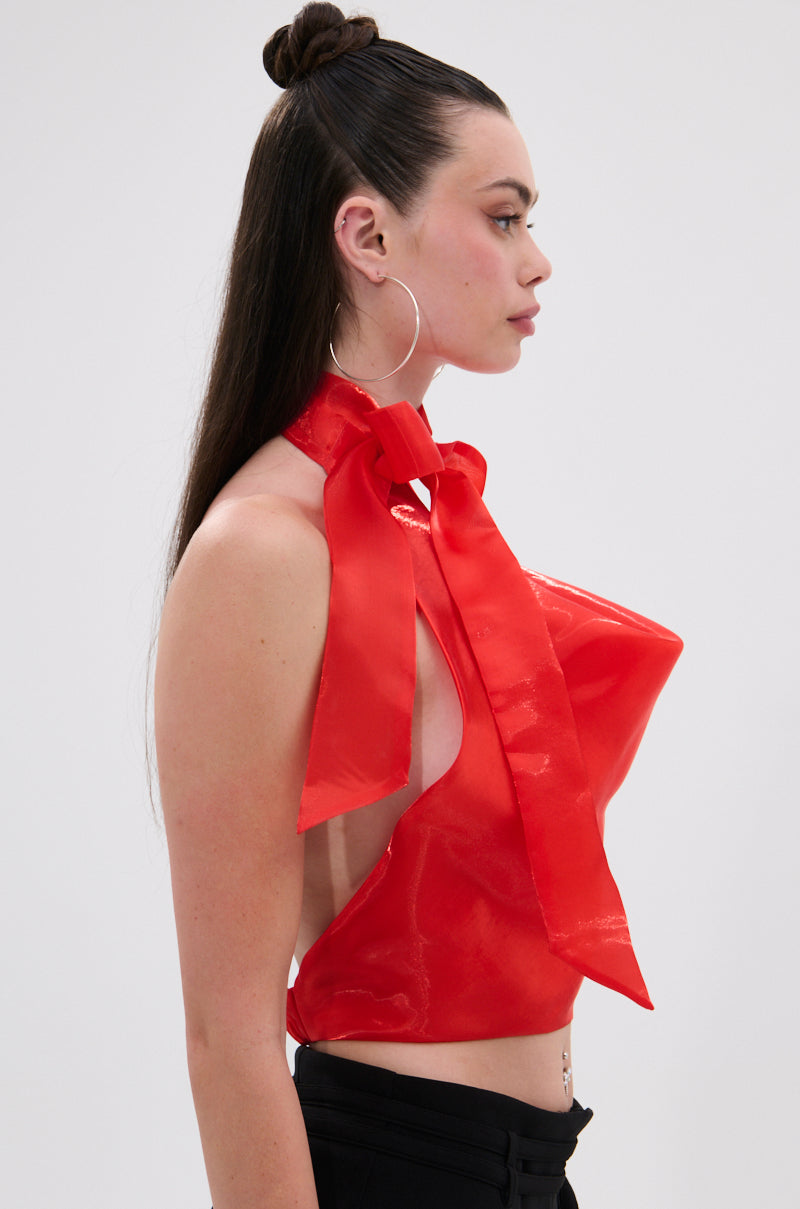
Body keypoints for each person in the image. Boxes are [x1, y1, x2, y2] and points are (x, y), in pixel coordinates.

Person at [154, 5, 683, 1207]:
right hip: (394, 1170)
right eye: (502, 217)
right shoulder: (262, 547)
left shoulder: (420, 512)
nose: (535, 259)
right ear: (368, 234)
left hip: (530, 1175)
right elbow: (226, 1034)